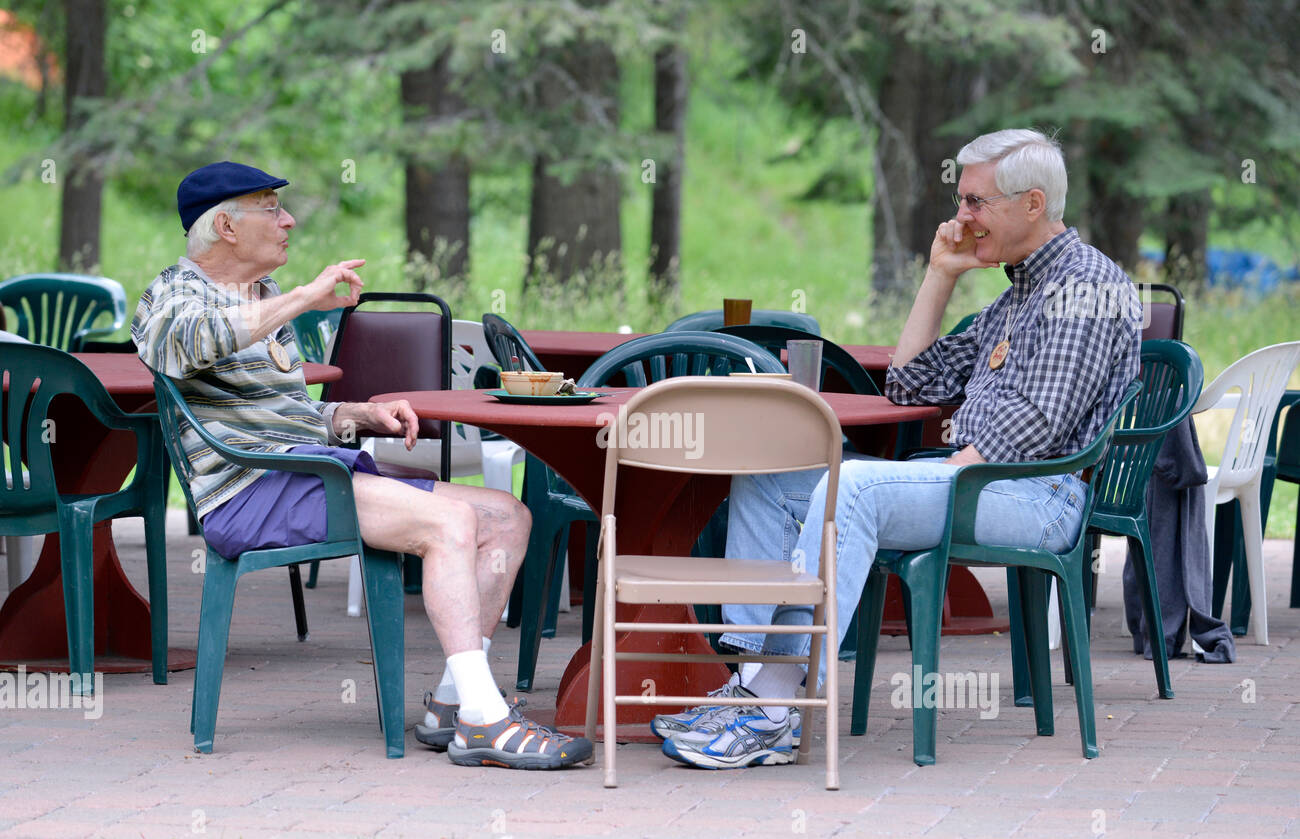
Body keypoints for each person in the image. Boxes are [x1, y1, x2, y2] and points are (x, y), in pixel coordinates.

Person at [655, 129, 1142, 770]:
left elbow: (1040, 422)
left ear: (1031, 204)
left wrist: (949, 469)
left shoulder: (1085, 287)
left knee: (851, 488)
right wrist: (939, 276)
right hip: (979, 483)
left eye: (975, 202)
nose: (960, 217)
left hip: (1036, 496)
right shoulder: (1018, 292)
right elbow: (910, 380)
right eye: (960, 200)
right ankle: (754, 685)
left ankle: (772, 709)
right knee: (769, 477)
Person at [135, 161, 592, 770]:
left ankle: (455, 706)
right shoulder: (171, 294)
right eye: (271, 206)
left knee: (505, 515)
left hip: (307, 470)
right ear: (224, 225)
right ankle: (488, 722)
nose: (288, 219)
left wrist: (356, 416)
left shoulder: (263, 296)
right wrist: (304, 299)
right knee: (449, 524)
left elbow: (291, 413)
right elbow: (185, 344)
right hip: (249, 490)